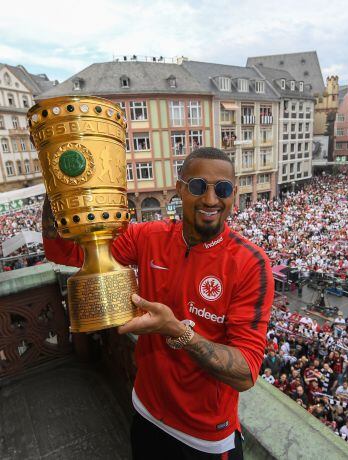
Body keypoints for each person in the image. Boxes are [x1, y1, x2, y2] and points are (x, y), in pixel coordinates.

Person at [42, 148, 274, 459]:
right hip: (146, 412)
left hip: (205, 438)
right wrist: (57, 180)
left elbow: (246, 373)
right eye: (197, 186)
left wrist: (177, 331)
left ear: (233, 193)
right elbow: (65, 252)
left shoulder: (251, 264)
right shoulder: (149, 236)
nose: (210, 199)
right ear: (179, 189)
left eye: (222, 189)